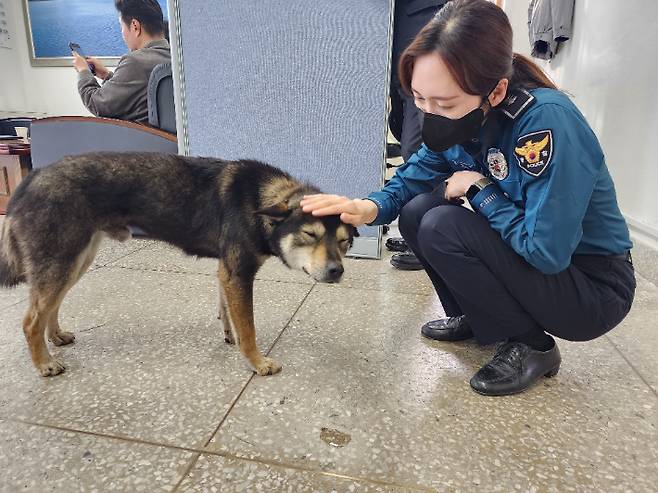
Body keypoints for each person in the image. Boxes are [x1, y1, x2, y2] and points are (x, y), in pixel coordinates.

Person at [300, 0, 635, 396]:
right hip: (544, 266)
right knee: (417, 210)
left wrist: (479, 188)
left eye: (444, 104)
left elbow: (547, 252)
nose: (429, 114)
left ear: (495, 92)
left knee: (444, 224)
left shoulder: (545, 124)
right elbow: (414, 176)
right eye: (420, 99)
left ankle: (533, 345)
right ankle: (478, 319)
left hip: (590, 287)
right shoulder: (465, 117)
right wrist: (368, 208)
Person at [387, 0, 448, 271]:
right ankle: (416, 230)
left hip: (421, 35)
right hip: (401, 54)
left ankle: (426, 236)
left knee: (420, 149)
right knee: (407, 140)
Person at [72, 0, 171, 124]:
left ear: (135, 26)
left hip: (136, 139)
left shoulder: (135, 62)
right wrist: (106, 75)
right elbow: (136, 95)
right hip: (163, 140)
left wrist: (83, 71)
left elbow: (97, 103)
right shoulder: (174, 56)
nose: (122, 33)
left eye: (121, 26)